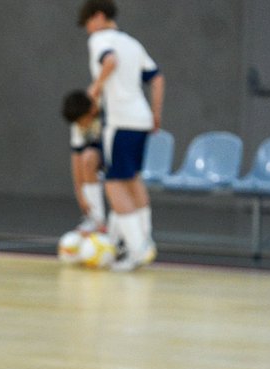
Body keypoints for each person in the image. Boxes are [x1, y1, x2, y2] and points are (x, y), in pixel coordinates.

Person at [79, 0, 163, 272]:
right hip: (140, 118)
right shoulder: (133, 43)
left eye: (88, 22)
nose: (88, 30)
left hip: (120, 120)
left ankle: (136, 249)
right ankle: (145, 241)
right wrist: (155, 113)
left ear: (99, 16)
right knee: (132, 179)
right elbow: (157, 78)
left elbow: (110, 61)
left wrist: (94, 90)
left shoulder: (100, 40)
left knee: (114, 184)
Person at [61, 89, 106, 233]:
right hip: (99, 155)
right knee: (87, 159)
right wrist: (81, 197)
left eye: (82, 121)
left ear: (91, 111)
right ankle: (96, 219)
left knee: (89, 157)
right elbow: (77, 163)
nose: (81, 126)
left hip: (118, 150)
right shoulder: (77, 127)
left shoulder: (107, 108)